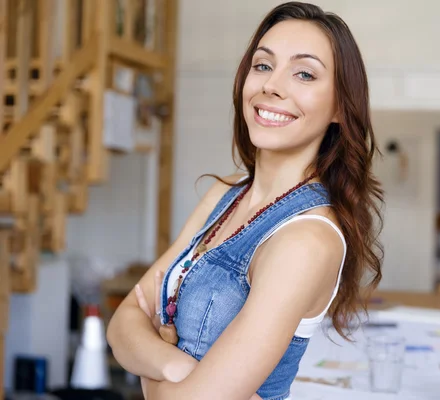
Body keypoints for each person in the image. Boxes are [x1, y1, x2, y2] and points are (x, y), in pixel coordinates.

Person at [106, 2, 384, 400]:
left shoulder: (308, 239)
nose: (272, 85)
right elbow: (122, 323)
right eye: (263, 65)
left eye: (304, 73)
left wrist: (148, 368)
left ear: (340, 106)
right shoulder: (227, 194)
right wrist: (176, 365)